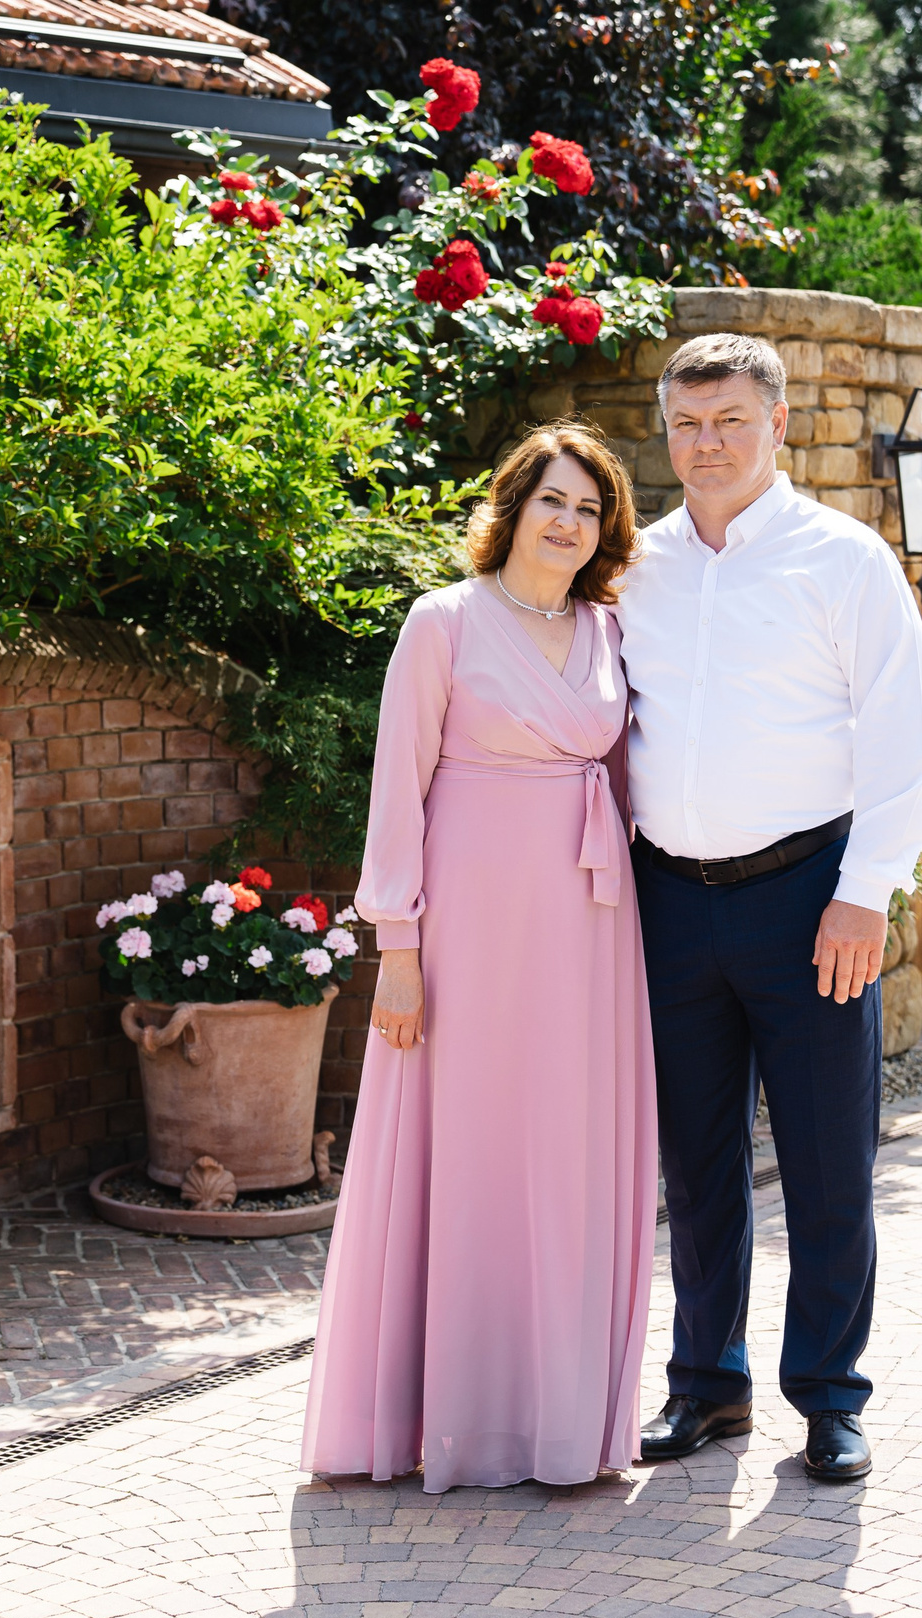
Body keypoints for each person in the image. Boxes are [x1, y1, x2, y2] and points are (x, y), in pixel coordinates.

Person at [301, 423, 659, 1493]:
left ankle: (560, 1420)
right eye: (552, 499)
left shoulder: (610, 630)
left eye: (589, 508)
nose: (568, 522)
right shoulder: (443, 622)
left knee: (566, 1158)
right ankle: (441, 1416)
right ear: (511, 506)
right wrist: (397, 945)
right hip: (465, 922)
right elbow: (396, 790)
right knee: (459, 1148)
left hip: (588, 933)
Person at [619, 334, 922, 1481]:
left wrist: (864, 895)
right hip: (667, 901)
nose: (708, 444)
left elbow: (903, 737)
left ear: (779, 425)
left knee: (824, 1160)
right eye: (689, 424)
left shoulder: (842, 560)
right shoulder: (635, 566)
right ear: (666, 432)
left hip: (809, 899)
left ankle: (830, 1395)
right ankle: (707, 1384)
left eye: (730, 421)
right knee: (696, 1166)